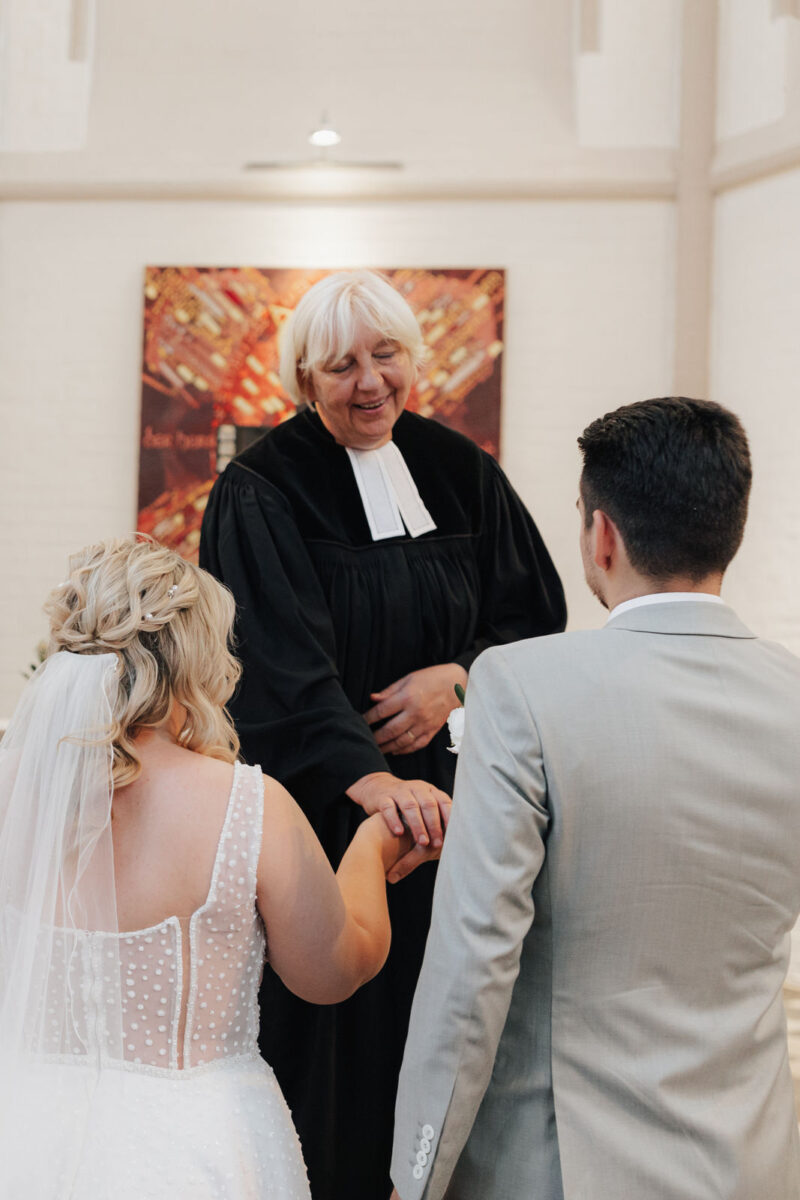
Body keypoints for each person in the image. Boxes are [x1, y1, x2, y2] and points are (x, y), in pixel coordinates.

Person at [199, 269, 566, 1199]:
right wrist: (373, 785)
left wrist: (458, 678)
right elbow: (271, 661)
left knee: (451, 1022)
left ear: (414, 357)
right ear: (303, 379)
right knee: (341, 1044)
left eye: (387, 355)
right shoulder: (262, 488)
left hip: (460, 811)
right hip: (331, 817)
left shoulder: (460, 470)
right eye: (341, 366)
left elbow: (535, 616)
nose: (370, 382)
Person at [391, 397, 800, 1200]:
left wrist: (417, 1169)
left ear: (601, 534)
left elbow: (474, 959)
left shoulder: (522, 684)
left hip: (559, 1167)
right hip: (754, 1163)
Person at [0, 535, 423, 1200]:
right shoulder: (246, 804)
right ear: (193, 657)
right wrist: (373, 847)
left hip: (25, 1140)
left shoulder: (15, 792)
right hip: (197, 1152)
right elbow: (333, 972)